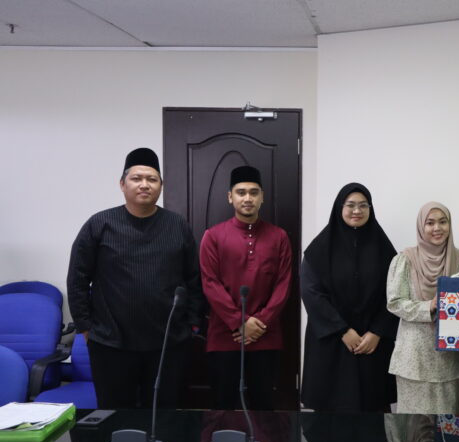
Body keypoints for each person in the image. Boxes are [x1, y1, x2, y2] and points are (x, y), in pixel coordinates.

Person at [67, 147, 203, 409]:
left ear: (161, 185)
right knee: (115, 417)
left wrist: (192, 324)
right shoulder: (99, 224)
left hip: (168, 344)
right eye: (136, 178)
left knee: (164, 416)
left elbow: (193, 278)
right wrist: (85, 327)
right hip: (111, 343)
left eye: (152, 179)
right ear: (122, 184)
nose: (144, 185)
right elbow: (77, 279)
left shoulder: (177, 226)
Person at [199, 166, 292, 410]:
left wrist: (259, 322)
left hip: (265, 335)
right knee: (223, 406)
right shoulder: (213, 236)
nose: (247, 198)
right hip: (224, 335)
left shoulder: (279, 237)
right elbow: (210, 283)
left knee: (264, 407)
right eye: (241, 192)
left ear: (262, 197)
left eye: (253, 192)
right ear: (230, 197)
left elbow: (283, 284)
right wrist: (239, 321)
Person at [301, 183, 398, 412]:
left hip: (371, 344)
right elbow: (312, 293)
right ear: (339, 207)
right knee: (330, 414)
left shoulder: (384, 249)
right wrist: (342, 330)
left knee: (372, 412)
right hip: (332, 343)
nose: (357, 211)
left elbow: (395, 293)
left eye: (363, 205)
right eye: (351, 205)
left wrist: (377, 332)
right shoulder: (319, 249)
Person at [387, 202, 459, 414]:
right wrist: (429, 306)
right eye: (430, 223)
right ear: (420, 226)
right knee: (413, 425)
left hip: (447, 358)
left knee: (445, 424)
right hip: (413, 358)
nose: (437, 228)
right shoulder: (405, 259)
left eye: (443, 222)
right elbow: (394, 302)